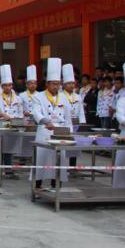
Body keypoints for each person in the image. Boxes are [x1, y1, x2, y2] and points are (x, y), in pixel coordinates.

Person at [32, 58, 72, 189]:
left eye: (58, 84)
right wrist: (45, 121)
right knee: (42, 160)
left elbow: (68, 118)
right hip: (45, 131)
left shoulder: (64, 98)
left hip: (60, 132)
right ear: (47, 84)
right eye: (53, 84)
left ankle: (56, 186)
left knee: (59, 160)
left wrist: (69, 133)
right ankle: (38, 185)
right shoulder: (39, 96)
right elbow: (36, 112)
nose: (56, 86)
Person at [0, 64, 23, 171]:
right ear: (2, 86)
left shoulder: (17, 98)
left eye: (10, 85)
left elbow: (20, 113)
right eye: (5, 85)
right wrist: (2, 115)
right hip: (1, 125)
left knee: (9, 148)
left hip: (13, 125)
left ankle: (8, 170)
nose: (8, 87)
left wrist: (16, 119)